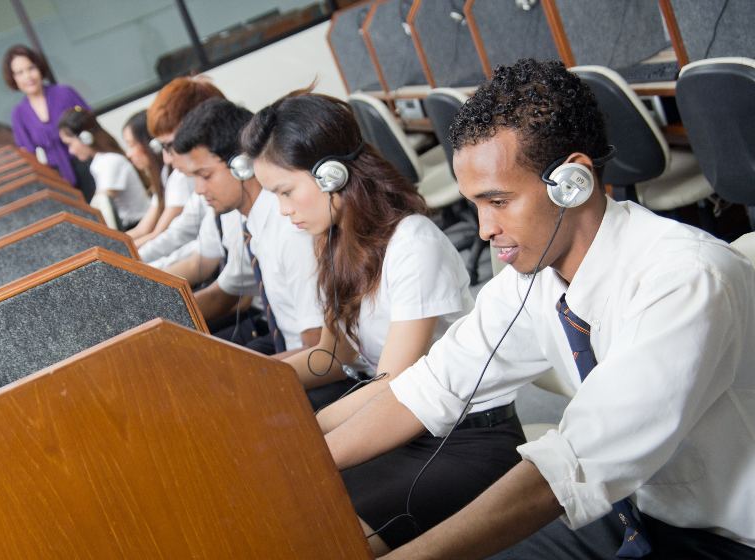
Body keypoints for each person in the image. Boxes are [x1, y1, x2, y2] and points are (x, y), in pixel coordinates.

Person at [323, 59, 755, 559]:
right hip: (635, 512)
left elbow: (573, 464)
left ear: (571, 182)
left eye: (499, 201)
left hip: (727, 538)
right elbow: (432, 385)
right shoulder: (534, 278)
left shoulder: (682, 280)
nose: (484, 228)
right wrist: (301, 460)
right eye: (476, 204)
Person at [241, 92, 524, 550]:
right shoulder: (333, 241)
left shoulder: (413, 242)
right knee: (285, 506)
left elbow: (394, 381)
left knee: (321, 536)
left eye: (285, 192)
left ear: (330, 175)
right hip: (397, 426)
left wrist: (303, 435)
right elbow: (333, 356)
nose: (282, 210)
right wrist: (247, 381)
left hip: (465, 437)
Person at [170, 98, 322, 355]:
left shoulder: (289, 228)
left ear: (242, 165)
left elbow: (318, 352)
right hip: (287, 350)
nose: (198, 190)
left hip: (311, 365)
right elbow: (226, 289)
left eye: (205, 176)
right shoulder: (252, 224)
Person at [136, 77, 225, 267]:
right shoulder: (197, 185)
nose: (167, 159)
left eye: (171, 146)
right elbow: (179, 233)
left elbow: (199, 258)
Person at [2, 44, 94, 199]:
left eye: (31, 68)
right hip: (57, 178)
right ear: (13, 78)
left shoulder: (65, 93)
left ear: (39, 68)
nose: (28, 77)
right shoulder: (19, 114)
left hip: (88, 163)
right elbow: (28, 155)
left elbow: (92, 126)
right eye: (20, 73)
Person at [58, 107, 149, 230]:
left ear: (85, 137)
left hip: (138, 224)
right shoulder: (100, 161)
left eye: (70, 144)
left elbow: (102, 205)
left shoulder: (109, 161)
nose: (71, 151)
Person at [121, 110, 193, 248]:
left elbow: (159, 233)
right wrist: (107, 245)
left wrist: (117, 252)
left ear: (151, 145)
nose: (128, 154)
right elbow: (142, 229)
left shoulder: (179, 177)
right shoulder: (165, 174)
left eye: (131, 145)